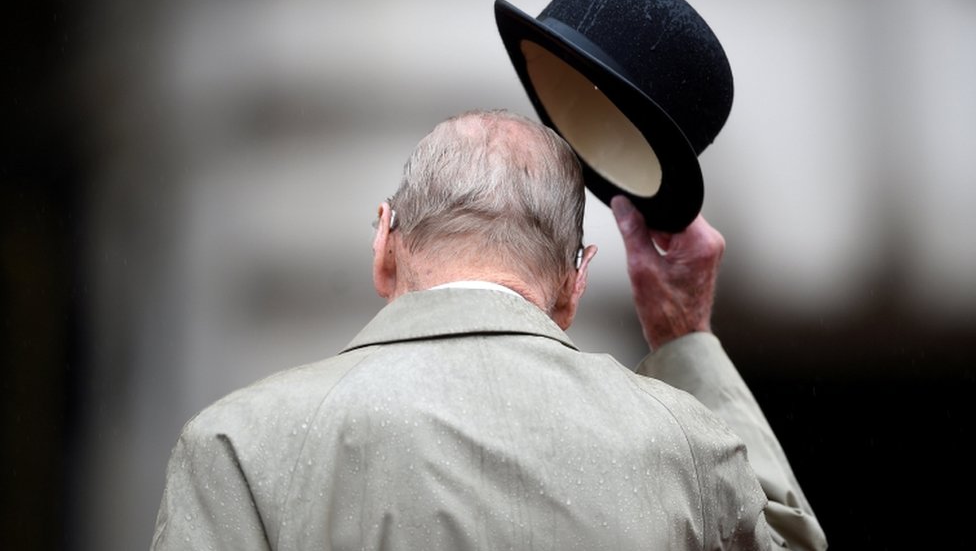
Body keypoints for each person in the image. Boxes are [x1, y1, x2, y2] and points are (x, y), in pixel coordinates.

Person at [151, 109, 827, 550]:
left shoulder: (236, 446)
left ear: (385, 240)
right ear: (574, 281)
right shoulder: (685, 445)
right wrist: (685, 337)